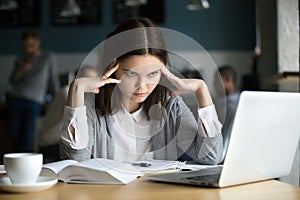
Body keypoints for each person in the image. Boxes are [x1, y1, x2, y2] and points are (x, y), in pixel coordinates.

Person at [60, 17, 223, 164]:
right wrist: (76, 89)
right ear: (112, 66)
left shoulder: (170, 103)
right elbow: (74, 161)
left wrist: (202, 90)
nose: (142, 86)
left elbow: (210, 157)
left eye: (153, 74)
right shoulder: (90, 104)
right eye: (131, 74)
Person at [7, 31, 60, 152]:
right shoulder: (21, 58)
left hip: (34, 101)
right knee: (14, 134)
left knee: (28, 135)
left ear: (37, 42)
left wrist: (56, 98)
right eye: (25, 46)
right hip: (15, 98)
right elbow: (12, 81)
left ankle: (26, 164)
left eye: (31, 45)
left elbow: (52, 79)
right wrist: (20, 70)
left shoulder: (48, 57)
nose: (28, 49)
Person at [216, 65, 240, 162]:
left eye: (216, 81)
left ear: (227, 80)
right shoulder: (225, 103)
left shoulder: (232, 106)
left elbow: (226, 136)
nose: (214, 85)